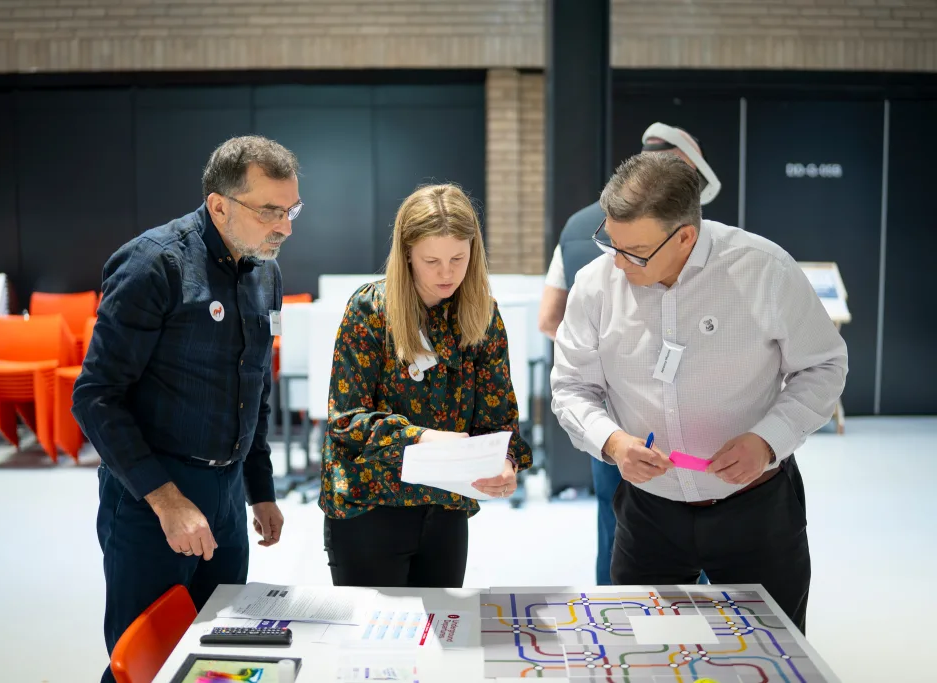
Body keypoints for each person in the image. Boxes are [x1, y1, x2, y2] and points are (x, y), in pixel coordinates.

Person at [550, 152, 848, 633]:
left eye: (636, 251)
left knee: (769, 653)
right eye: (611, 242)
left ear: (685, 235)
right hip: (648, 514)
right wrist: (612, 441)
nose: (619, 261)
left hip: (756, 509)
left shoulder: (763, 270)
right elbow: (571, 386)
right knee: (641, 655)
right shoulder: (596, 284)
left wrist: (768, 439)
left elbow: (824, 366)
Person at [72, 135, 300, 683]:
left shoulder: (264, 272)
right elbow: (96, 395)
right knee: (146, 662)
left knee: (219, 657)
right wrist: (167, 502)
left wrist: (260, 488)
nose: (285, 227)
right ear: (220, 204)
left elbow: (255, 389)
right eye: (270, 210)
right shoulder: (154, 265)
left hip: (225, 499)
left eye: (291, 209)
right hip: (153, 498)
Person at [320, 183, 533, 588]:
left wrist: (505, 463)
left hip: (445, 506)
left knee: (443, 639)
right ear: (407, 255)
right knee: (373, 644)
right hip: (370, 507)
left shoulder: (482, 315)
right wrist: (423, 439)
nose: (447, 273)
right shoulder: (370, 310)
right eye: (431, 260)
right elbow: (346, 422)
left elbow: (498, 416)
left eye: (459, 257)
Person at [538, 122, 719, 587]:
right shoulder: (696, 236)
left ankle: (612, 621)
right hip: (670, 424)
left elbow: (548, 319)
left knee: (613, 523)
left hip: (608, 416)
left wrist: (599, 360)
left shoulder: (577, 225)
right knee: (688, 532)